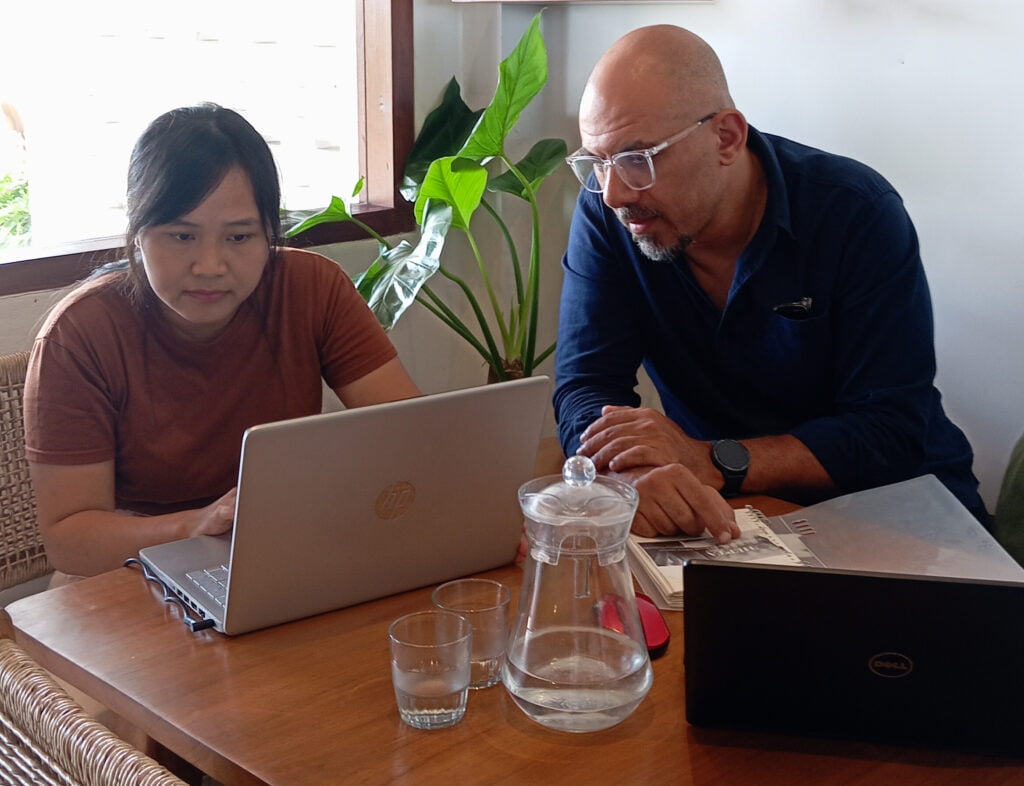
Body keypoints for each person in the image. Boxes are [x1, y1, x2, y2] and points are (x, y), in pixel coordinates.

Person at [554, 25, 985, 541]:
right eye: (596, 163)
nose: (614, 194)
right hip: (734, 514)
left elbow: (889, 430)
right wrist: (637, 471)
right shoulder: (611, 217)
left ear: (726, 137)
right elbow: (586, 384)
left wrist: (715, 461)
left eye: (637, 159)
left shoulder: (855, 212)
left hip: (897, 509)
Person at [24, 103, 420, 578]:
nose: (210, 265)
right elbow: (71, 542)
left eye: (239, 237)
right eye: (181, 236)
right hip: (128, 572)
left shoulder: (312, 289)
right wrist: (201, 525)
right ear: (137, 235)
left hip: (280, 549)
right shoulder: (81, 335)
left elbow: (412, 435)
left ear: (269, 235)